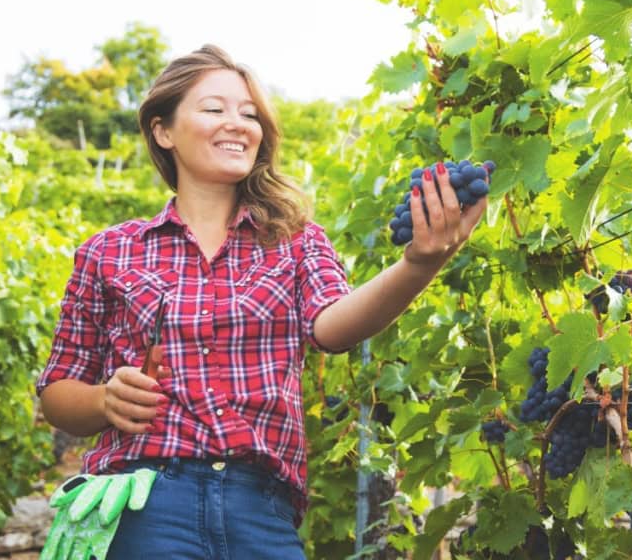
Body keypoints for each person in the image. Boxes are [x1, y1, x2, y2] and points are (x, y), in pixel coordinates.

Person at [36, 44, 487, 559]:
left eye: (249, 113)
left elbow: (333, 328)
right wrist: (102, 401)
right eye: (214, 109)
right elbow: (57, 391)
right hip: (146, 505)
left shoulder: (297, 241)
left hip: (261, 510)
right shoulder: (109, 251)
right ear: (163, 131)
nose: (238, 123)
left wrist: (419, 264)